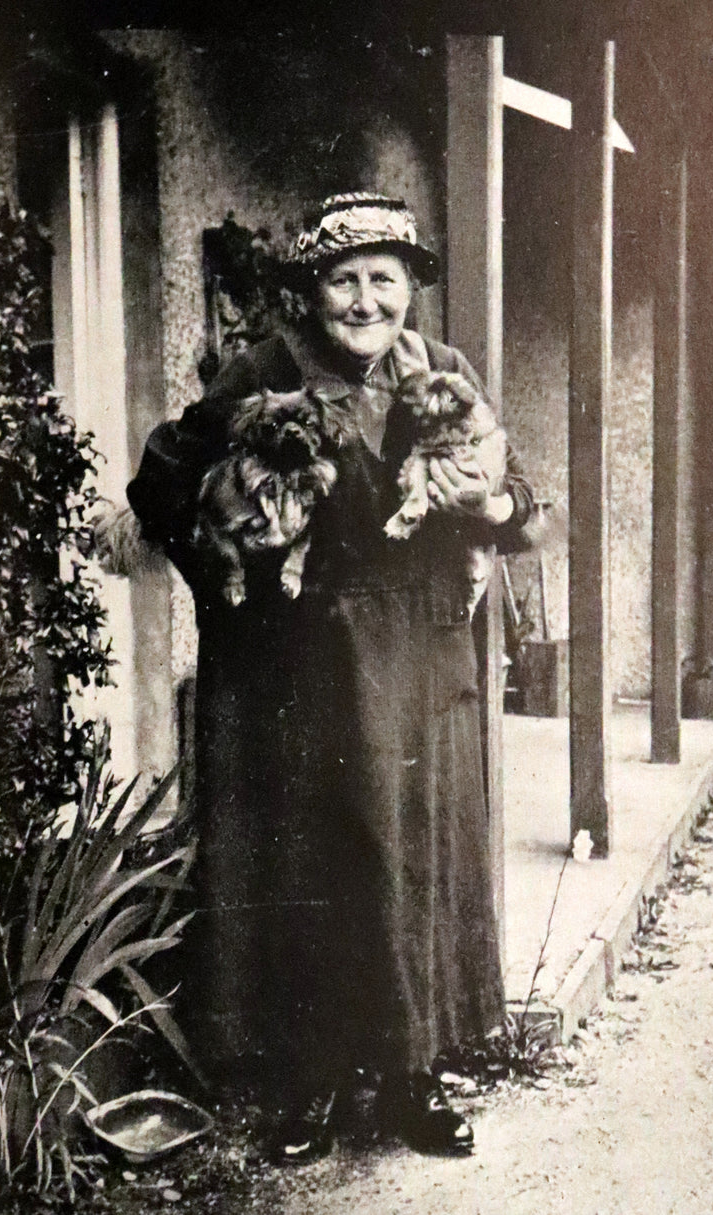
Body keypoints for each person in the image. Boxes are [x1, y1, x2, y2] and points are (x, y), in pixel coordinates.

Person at [126, 193, 534, 1162]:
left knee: (411, 860)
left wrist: (496, 501)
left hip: (420, 659)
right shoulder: (261, 370)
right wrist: (236, 537)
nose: (363, 301)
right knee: (307, 865)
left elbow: (515, 495)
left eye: (382, 280)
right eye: (343, 281)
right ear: (312, 290)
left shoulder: (443, 373)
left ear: (408, 290)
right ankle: (304, 1082)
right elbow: (161, 486)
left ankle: (409, 1078)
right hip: (296, 665)